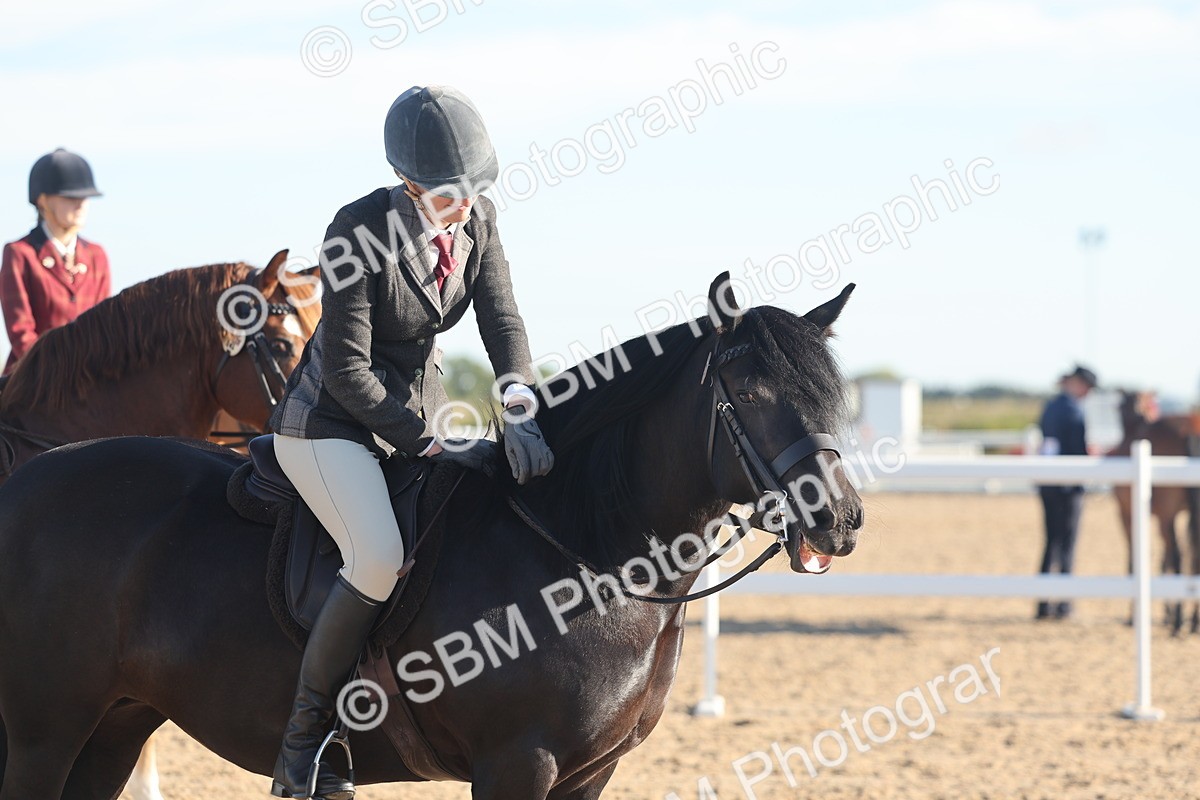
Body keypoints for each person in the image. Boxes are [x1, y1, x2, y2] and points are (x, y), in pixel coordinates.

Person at [265, 85, 554, 799]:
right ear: (409, 184)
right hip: (330, 422)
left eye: (474, 191)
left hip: (417, 416)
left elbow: (504, 321)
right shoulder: (355, 230)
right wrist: (425, 440)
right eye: (451, 195)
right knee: (380, 557)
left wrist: (517, 400)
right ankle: (305, 743)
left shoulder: (477, 220)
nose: (467, 206)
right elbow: (346, 367)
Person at [1, 148, 110, 375]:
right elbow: (21, 332)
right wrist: (61, 373)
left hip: (88, 380)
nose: (80, 205)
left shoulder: (96, 256)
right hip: (34, 380)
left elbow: (103, 326)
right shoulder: (20, 254)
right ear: (43, 201)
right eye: (70, 198)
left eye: (84, 198)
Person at [1035, 364, 1097, 620]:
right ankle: (1063, 605)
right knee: (1067, 544)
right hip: (1068, 486)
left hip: (1047, 483)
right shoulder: (1073, 411)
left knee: (1050, 543)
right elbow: (1078, 451)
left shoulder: (1050, 407)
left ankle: (1042, 603)